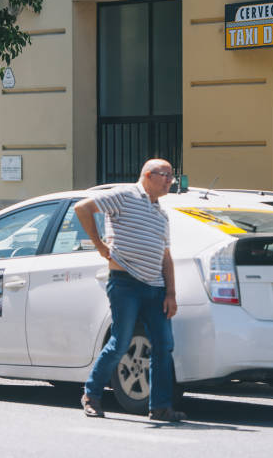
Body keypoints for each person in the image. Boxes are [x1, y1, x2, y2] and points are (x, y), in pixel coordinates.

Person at [74, 158, 185, 422]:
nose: (170, 180)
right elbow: (82, 208)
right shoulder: (124, 195)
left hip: (155, 287)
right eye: (165, 175)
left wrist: (171, 293)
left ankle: (160, 406)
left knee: (163, 346)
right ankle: (92, 395)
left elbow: (165, 256)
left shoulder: (161, 213)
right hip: (125, 284)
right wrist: (100, 246)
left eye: (172, 176)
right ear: (147, 175)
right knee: (120, 341)